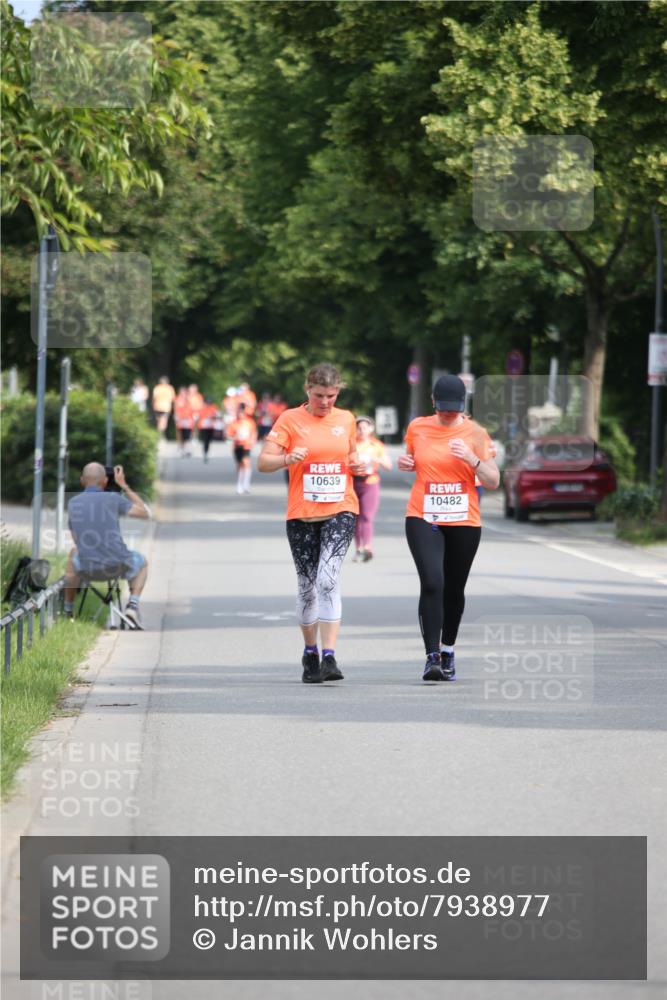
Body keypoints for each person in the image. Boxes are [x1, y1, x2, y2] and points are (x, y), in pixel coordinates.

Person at [257, 362, 367, 684]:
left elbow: (350, 456)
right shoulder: (290, 420)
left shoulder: (346, 419)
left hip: (341, 509)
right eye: (319, 395)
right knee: (307, 588)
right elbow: (263, 463)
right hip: (302, 513)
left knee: (328, 578)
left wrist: (356, 465)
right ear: (308, 389)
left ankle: (330, 656)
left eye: (331, 396)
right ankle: (310, 653)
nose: (325, 402)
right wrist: (285, 459)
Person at [398, 374, 499, 682]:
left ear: (462, 405)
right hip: (423, 515)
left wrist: (472, 460)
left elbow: (494, 480)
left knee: (454, 589)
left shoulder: (476, 433)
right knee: (432, 582)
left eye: (453, 408)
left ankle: (448, 650)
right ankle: (431, 657)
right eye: (442, 407)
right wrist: (408, 462)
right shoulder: (418, 427)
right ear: (433, 402)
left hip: (464, 520)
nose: (447, 413)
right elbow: (417, 458)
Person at [63, 462, 150, 630]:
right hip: (118, 565)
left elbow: (76, 539)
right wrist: (123, 485)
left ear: (82, 481)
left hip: (88, 568)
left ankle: (68, 611)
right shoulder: (114, 499)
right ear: (104, 481)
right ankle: (132, 606)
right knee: (143, 563)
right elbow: (144, 513)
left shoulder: (74, 503)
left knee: (72, 556)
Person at [352, 415, 392, 562]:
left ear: (371, 429)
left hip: (370, 482)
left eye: (364, 427)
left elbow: (388, 466)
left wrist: (376, 459)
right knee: (355, 517)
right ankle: (358, 549)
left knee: (367, 517)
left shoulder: (377, 445)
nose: (362, 430)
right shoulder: (351, 445)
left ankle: (368, 547)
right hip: (353, 482)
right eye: (359, 428)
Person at [227, 402, 257, 493]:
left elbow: (254, 432)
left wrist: (252, 440)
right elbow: (229, 435)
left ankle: (246, 484)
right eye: (239, 411)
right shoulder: (234, 423)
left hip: (246, 445)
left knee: (246, 462)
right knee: (239, 465)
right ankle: (239, 484)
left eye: (242, 411)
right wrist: (236, 437)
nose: (240, 413)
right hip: (237, 445)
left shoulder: (249, 422)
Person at [198, 397, 220, 462]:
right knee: (205, 440)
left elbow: (216, 416)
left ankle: (206, 451)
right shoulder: (202, 408)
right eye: (207, 402)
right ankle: (205, 453)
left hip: (211, 427)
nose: (208, 404)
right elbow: (199, 417)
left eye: (209, 402)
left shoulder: (214, 407)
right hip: (203, 427)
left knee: (209, 440)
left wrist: (214, 418)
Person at [174, 388, 194, 457]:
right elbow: (177, 412)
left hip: (188, 423)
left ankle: (186, 450)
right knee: (182, 437)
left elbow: (193, 412)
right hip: (181, 423)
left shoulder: (190, 404)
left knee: (187, 437)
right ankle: (183, 449)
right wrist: (177, 418)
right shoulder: (179, 403)